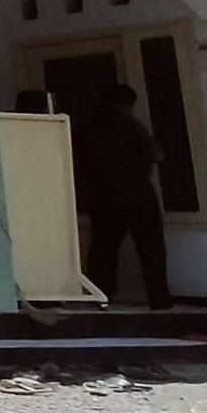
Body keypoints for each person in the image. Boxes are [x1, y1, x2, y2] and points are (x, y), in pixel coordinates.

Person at [77, 82, 172, 309]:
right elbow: (156, 154)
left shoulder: (85, 128)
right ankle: (159, 298)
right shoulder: (130, 125)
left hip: (102, 198)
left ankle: (101, 296)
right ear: (127, 104)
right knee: (151, 250)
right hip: (138, 195)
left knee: (103, 249)